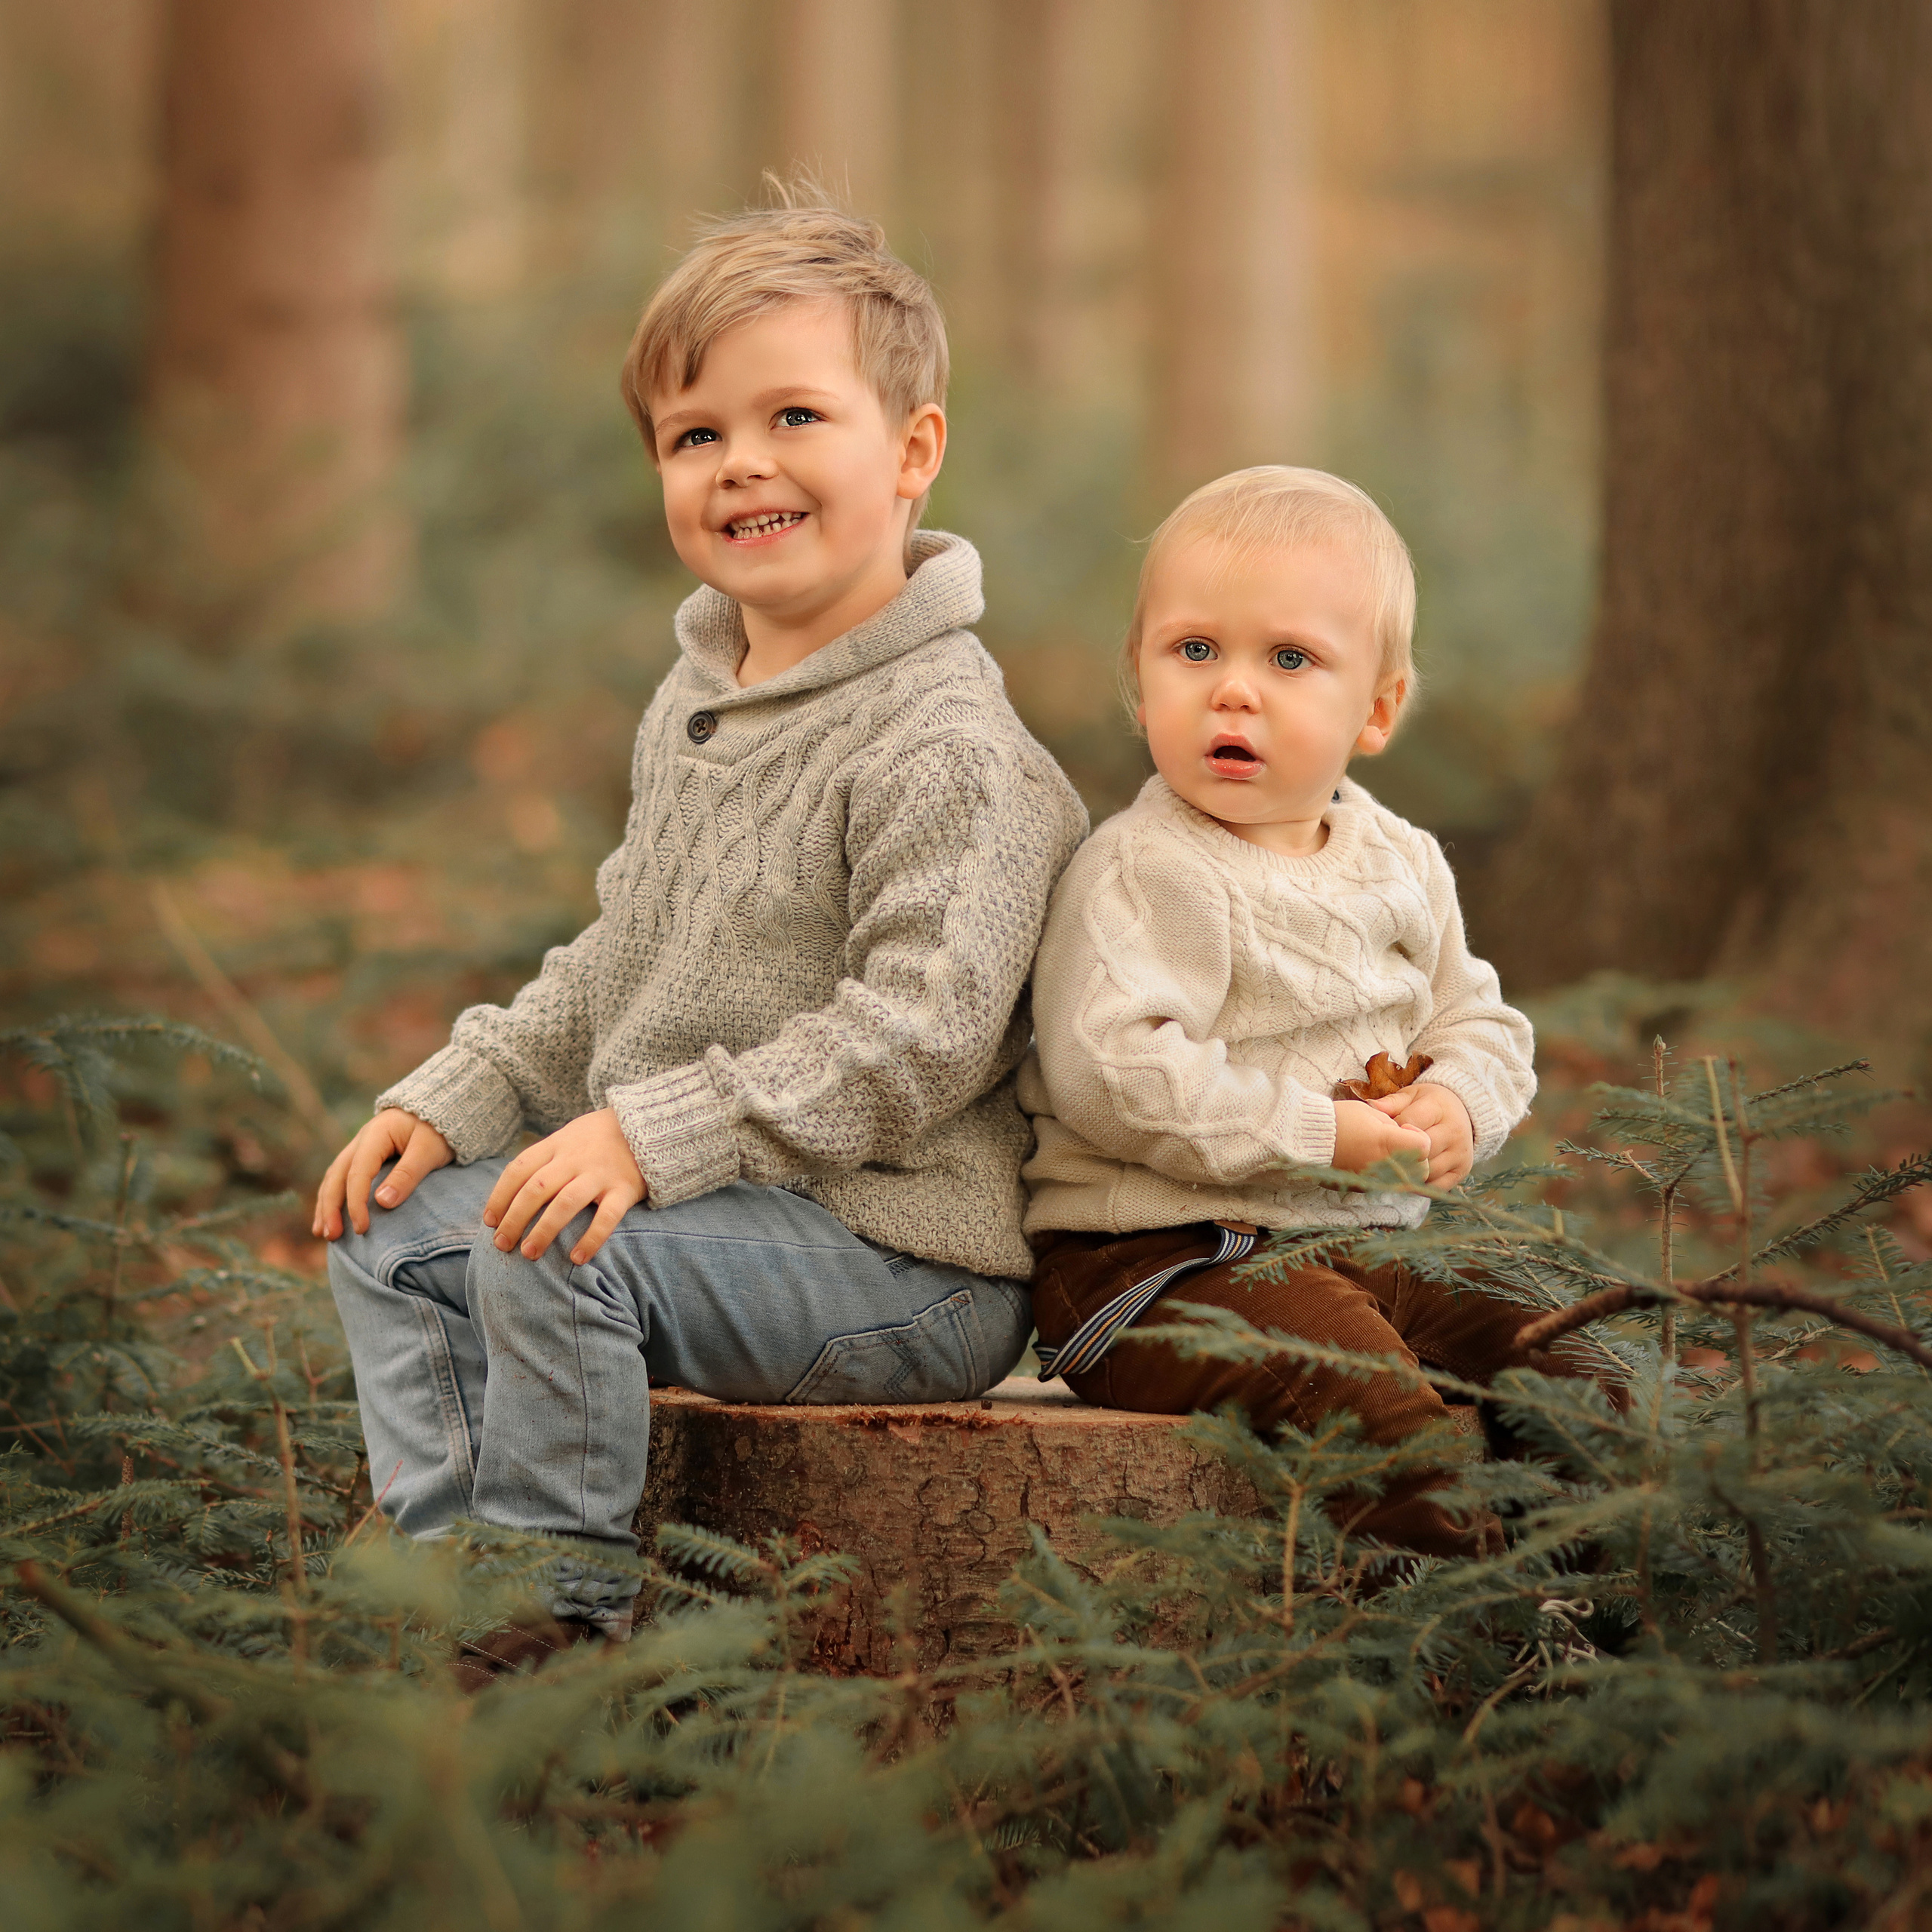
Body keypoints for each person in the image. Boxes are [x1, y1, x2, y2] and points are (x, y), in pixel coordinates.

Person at [313, 194, 1087, 1667]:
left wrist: (648, 1136)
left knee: (553, 1252)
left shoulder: (944, 744)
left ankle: (549, 1633)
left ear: (913, 450)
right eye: (694, 434)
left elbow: (914, 1042)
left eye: (795, 414)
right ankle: (441, 1580)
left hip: (898, 1259)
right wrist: (462, 1091)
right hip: (714, 1211)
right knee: (388, 1228)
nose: (743, 462)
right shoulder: (702, 697)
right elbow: (622, 951)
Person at [1018, 466, 1614, 1558]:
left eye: (1289, 660)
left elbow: (1479, 1022)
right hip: (1162, 1264)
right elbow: (1114, 1074)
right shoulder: (1141, 873)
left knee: (1574, 1351)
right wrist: (1320, 1134)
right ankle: (1468, 1645)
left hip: (1362, 1244)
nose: (1233, 691)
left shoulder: (1399, 859)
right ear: (1140, 688)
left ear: (1376, 710)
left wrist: (1456, 1105)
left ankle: (1626, 1603)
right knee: (1375, 1407)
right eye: (1195, 652)